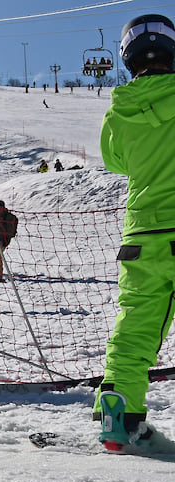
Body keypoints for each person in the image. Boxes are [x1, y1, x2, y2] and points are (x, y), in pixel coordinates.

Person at [93, 14, 175, 452]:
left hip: (142, 234)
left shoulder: (119, 111)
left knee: (136, 323)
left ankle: (118, 414)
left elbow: (116, 161)